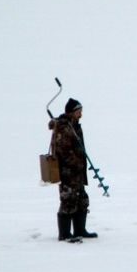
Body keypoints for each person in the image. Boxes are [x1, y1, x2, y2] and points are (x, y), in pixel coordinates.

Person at [48, 98, 98, 241]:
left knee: (82, 199)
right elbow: (63, 151)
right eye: (79, 111)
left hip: (78, 172)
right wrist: (76, 163)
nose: (81, 114)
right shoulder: (63, 127)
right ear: (72, 112)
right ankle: (64, 233)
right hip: (67, 172)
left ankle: (79, 230)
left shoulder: (74, 125)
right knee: (68, 200)